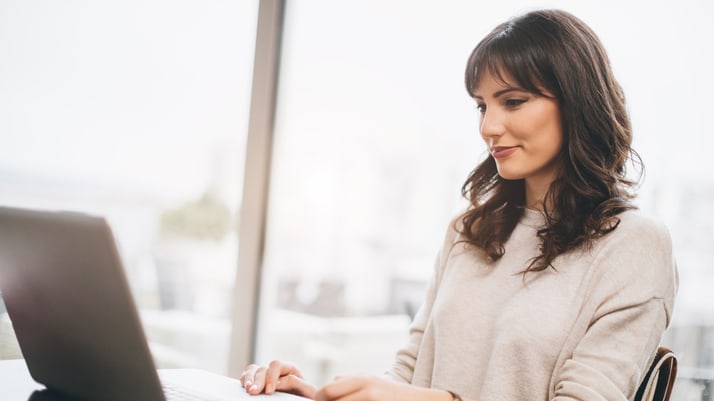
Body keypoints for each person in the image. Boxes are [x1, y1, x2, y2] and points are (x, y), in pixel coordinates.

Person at [239, 8, 678, 401]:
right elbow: (409, 377)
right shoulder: (469, 232)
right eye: (482, 106)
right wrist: (319, 395)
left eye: (513, 101)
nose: (489, 126)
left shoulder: (633, 244)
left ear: (578, 102)